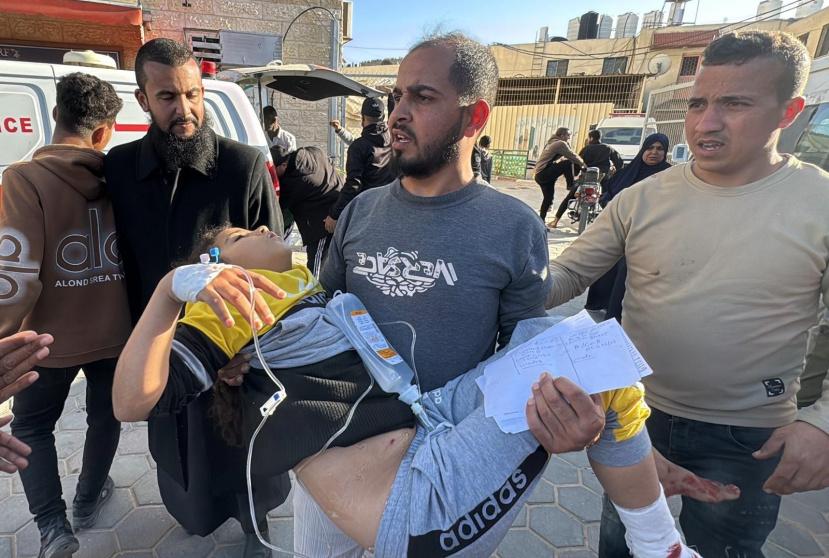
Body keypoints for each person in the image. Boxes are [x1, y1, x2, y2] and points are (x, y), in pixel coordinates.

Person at [111, 223, 716, 558]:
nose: (263, 225)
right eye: (242, 231)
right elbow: (130, 403)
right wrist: (170, 291)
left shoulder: (301, 285)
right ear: (216, 263)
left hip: (427, 424)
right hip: (416, 500)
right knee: (582, 364)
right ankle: (657, 542)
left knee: (566, 338)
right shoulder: (231, 301)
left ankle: (645, 499)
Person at [306, 32, 601, 556]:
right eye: (396, 95)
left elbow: (526, 354)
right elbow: (319, 312)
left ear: (474, 117)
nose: (397, 113)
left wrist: (561, 414)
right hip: (338, 445)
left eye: (421, 97)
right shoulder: (360, 211)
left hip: (443, 457)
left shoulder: (514, 227)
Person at [538, 31, 829, 557]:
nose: (705, 123)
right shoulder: (641, 198)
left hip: (748, 437)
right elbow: (568, 275)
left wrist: (822, 424)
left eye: (734, 104)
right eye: (697, 104)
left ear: (788, 112)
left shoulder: (820, 202)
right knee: (626, 546)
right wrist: (486, 282)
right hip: (633, 417)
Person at [103, 38, 285, 556]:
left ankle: (255, 526)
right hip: (158, 340)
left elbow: (274, 265)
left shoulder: (242, 165)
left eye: (192, 94)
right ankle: (193, 513)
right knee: (178, 448)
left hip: (231, 346)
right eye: (167, 97)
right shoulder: (119, 169)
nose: (184, 109)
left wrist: (250, 350)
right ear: (142, 99)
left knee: (243, 446)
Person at [0, 73, 131, 557]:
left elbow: (15, 275)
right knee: (105, 417)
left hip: (43, 340)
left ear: (56, 115)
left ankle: (54, 528)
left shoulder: (23, 179)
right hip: (116, 332)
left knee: (33, 426)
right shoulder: (120, 178)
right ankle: (88, 499)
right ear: (104, 132)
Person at [583, 133, 671, 320]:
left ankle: (616, 312)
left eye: (659, 149)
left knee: (626, 266)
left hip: (649, 234)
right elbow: (608, 194)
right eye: (650, 148)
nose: (654, 152)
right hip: (618, 228)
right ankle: (600, 303)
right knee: (606, 258)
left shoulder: (671, 177)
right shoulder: (627, 172)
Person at [323, 96, 396, 234]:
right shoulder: (394, 139)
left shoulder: (359, 147)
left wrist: (334, 214)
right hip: (392, 206)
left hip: (369, 212)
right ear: (383, 117)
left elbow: (353, 185)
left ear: (362, 118)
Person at [271, 144, 343, 275]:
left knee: (317, 264)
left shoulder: (292, 181)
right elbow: (330, 163)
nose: (272, 176)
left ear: (283, 165)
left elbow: (277, 206)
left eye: (273, 171)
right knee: (333, 261)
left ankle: (315, 287)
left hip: (322, 223)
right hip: (338, 210)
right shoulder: (314, 151)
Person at [0, 331, 54, 473]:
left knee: (31, 428)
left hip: (33, 349)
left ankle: (93, 486)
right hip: (107, 344)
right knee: (102, 416)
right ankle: (93, 487)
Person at [548, 129, 624, 229]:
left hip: (586, 179)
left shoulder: (586, 149)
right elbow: (620, 163)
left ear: (591, 138)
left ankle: (555, 221)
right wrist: (615, 171)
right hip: (602, 179)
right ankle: (614, 225)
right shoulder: (608, 148)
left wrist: (575, 174)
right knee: (607, 198)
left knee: (570, 197)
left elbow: (577, 162)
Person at [533, 127, 585, 226]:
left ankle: (541, 222)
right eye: (568, 135)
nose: (569, 138)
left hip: (539, 175)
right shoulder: (560, 143)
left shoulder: (551, 142)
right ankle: (570, 185)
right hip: (544, 173)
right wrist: (584, 165)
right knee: (567, 162)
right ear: (562, 135)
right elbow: (572, 156)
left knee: (548, 199)